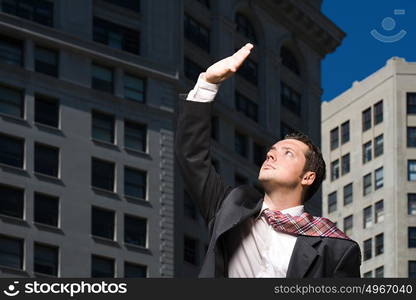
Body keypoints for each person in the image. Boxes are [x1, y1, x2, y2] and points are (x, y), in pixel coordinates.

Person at [175, 43, 361, 278]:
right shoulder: (231, 206)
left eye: (287, 153)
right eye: (272, 150)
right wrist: (208, 83)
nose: (271, 154)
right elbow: (191, 155)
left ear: (308, 177)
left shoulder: (336, 248)